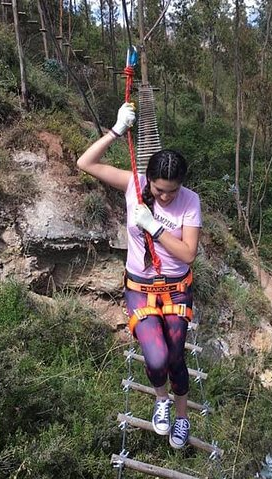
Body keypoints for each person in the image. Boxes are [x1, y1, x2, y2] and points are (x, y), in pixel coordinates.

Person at [76, 103, 201, 450]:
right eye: (160, 190)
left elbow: (188, 253)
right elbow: (85, 164)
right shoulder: (135, 184)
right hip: (140, 287)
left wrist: (155, 228)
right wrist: (116, 130)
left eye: (171, 191)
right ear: (150, 180)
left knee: (176, 358)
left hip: (175, 289)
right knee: (157, 358)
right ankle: (161, 399)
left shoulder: (190, 202)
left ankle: (182, 416)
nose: (164, 196)